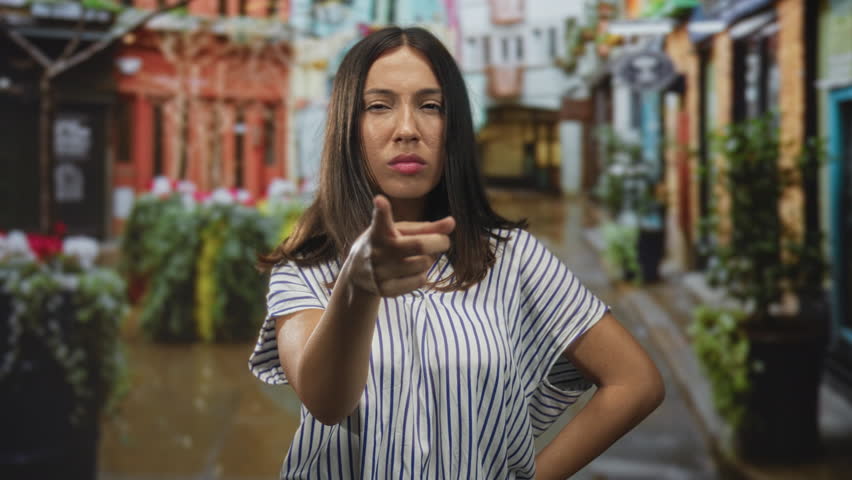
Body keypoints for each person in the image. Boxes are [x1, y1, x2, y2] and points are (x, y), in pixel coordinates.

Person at [250, 26, 664, 479]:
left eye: (431, 106)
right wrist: (359, 286)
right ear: (348, 127)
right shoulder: (304, 269)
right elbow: (326, 402)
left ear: (455, 128)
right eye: (379, 105)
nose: (407, 129)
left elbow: (635, 382)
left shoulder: (513, 258)